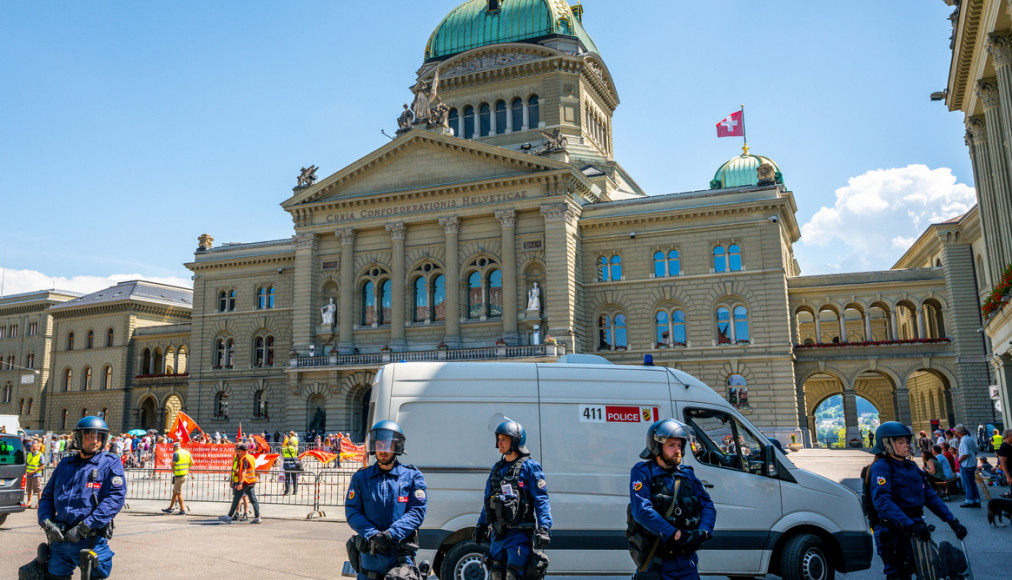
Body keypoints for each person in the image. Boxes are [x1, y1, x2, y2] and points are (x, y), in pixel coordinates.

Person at [866, 421, 967, 579]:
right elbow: (883, 502)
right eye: (900, 442)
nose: (906, 445)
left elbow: (929, 496)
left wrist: (952, 520)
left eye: (907, 441)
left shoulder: (911, 466)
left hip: (916, 528)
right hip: (893, 531)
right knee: (899, 574)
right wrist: (910, 524)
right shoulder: (882, 467)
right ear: (886, 444)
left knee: (929, 571)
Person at [36, 416, 126, 579]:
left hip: (89, 538)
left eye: (99, 437)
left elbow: (115, 498)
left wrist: (85, 526)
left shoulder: (110, 463)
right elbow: (47, 496)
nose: (95, 441)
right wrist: (46, 522)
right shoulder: (65, 464)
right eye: (90, 436)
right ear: (79, 438)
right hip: (61, 539)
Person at [627, 419, 715, 580]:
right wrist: (674, 534)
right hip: (658, 561)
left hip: (687, 561)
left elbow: (707, 504)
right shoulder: (643, 472)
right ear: (657, 447)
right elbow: (642, 511)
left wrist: (704, 531)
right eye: (671, 445)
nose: (677, 450)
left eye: (680, 445)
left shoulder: (687, 474)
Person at [345, 421, 427, 580]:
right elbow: (352, 511)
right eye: (379, 445)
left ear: (397, 447)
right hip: (370, 557)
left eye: (388, 445)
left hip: (400, 556)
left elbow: (417, 511)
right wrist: (373, 535)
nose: (383, 450)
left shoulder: (412, 476)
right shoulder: (361, 478)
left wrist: (391, 534)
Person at [473, 418, 552, 580]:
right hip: (498, 536)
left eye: (504, 440)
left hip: (519, 535)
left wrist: (544, 528)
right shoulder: (497, 469)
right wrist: (481, 525)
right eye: (498, 439)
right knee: (496, 575)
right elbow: (488, 501)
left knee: (514, 575)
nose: (499, 443)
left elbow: (541, 500)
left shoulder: (530, 467)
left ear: (516, 441)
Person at [219, 443, 261, 524]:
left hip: (245, 482)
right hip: (251, 481)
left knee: (236, 499)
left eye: (239, 451)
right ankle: (257, 517)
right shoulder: (251, 457)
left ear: (242, 451)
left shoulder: (244, 459)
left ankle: (229, 516)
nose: (239, 452)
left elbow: (244, 471)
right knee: (253, 500)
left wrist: (240, 483)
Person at [954, 425, 980, 508]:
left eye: (955, 431)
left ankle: (969, 500)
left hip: (966, 464)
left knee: (967, 483)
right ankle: (976, 500)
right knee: (972, 482)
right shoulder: (970, 439)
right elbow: (975, 452)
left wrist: (959, 460)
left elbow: (965, 453)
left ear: (958, 432)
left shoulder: (963, 441)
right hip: (972, 463)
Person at [162, 441, 191, 515]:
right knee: (175, 492)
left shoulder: (176, 453)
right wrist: (186, 468)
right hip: (184, 474)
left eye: (173, 448)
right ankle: (170, 508)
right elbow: (192, 462)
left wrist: (174, 470)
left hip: (179, 475)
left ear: (175, 447)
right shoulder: (187, 452)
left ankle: (182, 510)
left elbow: (173, 464)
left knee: (178, 493)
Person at [25, 440, 44, 509]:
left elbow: (42, 466)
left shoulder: (40, 455)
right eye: (32, 447)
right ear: (30, 448)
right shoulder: (29, 455)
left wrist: (33, 471)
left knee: (38, 489)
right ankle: (29, 502)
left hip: (36, 475)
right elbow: (26, 464)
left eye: (35, 447)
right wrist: (26, 471)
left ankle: (39, 503)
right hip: (29, 475)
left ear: (38, 448)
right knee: (29, 489)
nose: (34, 448)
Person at [282, 431, 300, 495]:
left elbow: (283, 455)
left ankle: (287, 491)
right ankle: (295, 491)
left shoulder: (284, 449)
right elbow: (297, 454)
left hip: (287, 465)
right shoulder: (295, 449)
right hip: (293, 466)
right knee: (294, 478)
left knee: (287, 479)